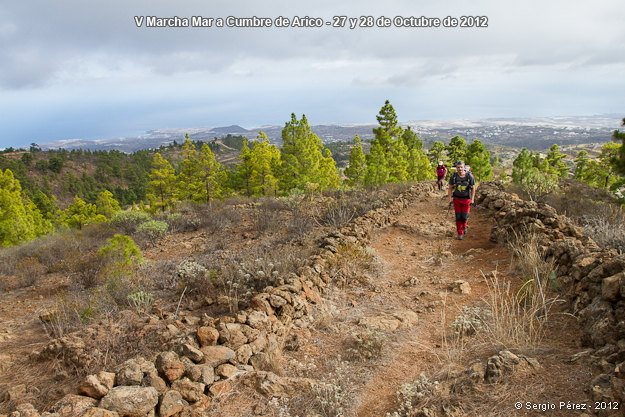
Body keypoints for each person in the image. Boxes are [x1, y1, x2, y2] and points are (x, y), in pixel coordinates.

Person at [448, 160, 475, 240]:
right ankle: (460, 233)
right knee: (458, 216)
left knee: (465, 216)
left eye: (461, 167)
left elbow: (473, 188)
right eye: (458, 167)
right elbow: (450, 188)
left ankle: (464, 226)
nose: (460, 169)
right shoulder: (454, 176)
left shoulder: (469, 176)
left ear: (464, 168)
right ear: (456, 168)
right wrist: (450, 200)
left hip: (466, 199)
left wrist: (472, 200)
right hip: (457, 199)